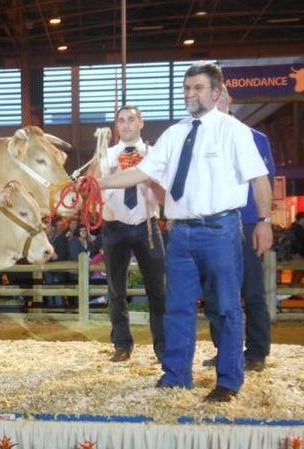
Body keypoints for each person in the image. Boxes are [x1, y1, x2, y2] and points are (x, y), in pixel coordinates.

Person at [96, 61, 273, 402]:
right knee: (176, 305)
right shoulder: (175, 134)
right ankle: (177, 375)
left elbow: (259, 178)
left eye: (198, 88)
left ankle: (228, 380)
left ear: (216, 92)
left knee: (225, 307)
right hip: (180, 233)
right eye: (187, 88)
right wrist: (98, 183)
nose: (190, 94)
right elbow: (143, 172)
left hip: (220, 229)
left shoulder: (233, 130)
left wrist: (264, 222)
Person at [203, 86, 275, 372]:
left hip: (244, 222)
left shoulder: (253, 137)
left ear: (227, 99)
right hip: (211, 223)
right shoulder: (201, 138)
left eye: (220, 96)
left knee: (252, 290)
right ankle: (225, 350)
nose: (216, 101)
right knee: (214, 292)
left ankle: (257, 351)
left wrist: (263, 221)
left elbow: (264, 181)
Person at [99, 105, 165, 362]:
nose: (126, 125)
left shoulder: (155, 154)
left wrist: (149, 179)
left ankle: (162, 345)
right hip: (114, 225)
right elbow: (92, 187)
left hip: (147, 225)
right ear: (117, 127)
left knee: (157, 289)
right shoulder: (104, 155)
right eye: (121, 121)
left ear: (141, 123)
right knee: (116, 289)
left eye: (130, 120)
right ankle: (122, 344)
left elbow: (164, 197)